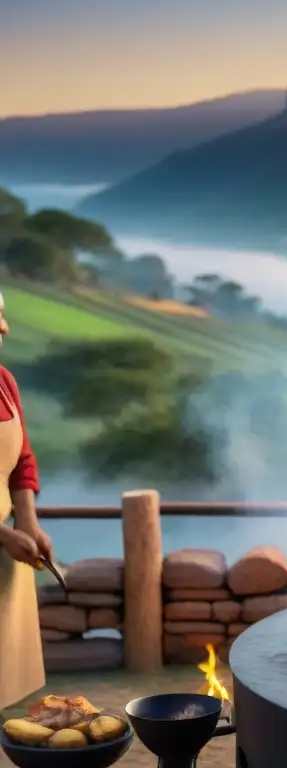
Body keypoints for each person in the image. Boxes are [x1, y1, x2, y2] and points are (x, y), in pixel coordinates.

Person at [0, 289, 49, 709]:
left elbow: (22, 462)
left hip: (7, 557)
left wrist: (27, 521)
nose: (3, 328)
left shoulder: (4, 383)